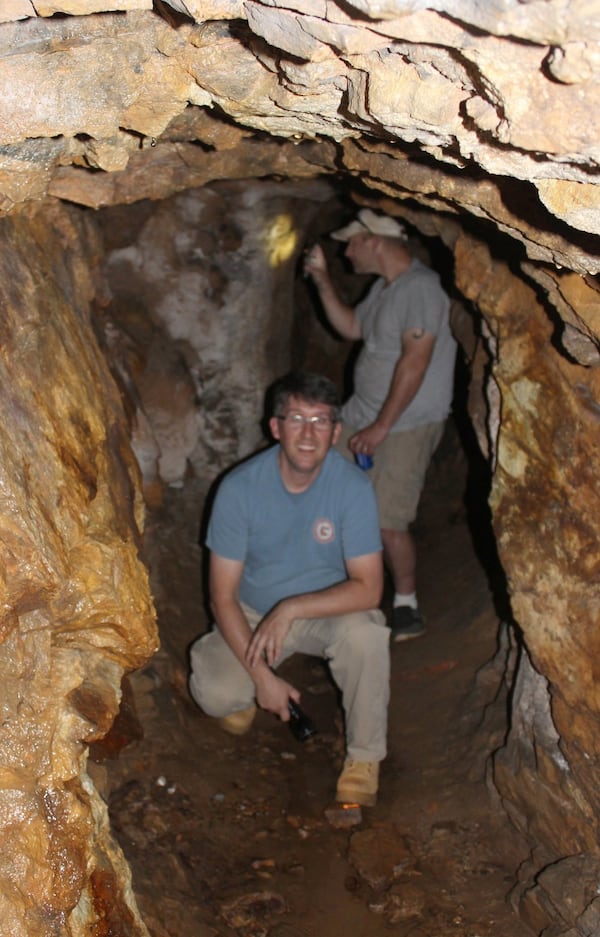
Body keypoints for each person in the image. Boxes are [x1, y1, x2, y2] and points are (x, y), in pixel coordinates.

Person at [189, 371, 390, 807]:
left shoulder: (352, 489)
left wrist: (293, 608)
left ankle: (364, 758)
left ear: (336, 432)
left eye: (320, 421)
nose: (307, 432)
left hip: (325, 611)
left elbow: (370, 589)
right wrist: (263, 679)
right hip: (255, 612)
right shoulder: (239, 489)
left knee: (367, 633)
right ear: (275, 427)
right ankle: (249, 689)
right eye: (296, 418)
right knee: (217, 695)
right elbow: (221, 596)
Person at [304, 208, 457, 642]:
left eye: (351, 242)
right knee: (316, 486)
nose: (346, 252)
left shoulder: (421, 289)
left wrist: (382, 426)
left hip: (405, 426)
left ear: (374, 240)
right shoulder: (384, 291)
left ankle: (406, 604)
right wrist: (321, 279)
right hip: (360, 418)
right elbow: (351, 327)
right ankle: (329, 586)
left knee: (388, 520)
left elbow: (416, 362)